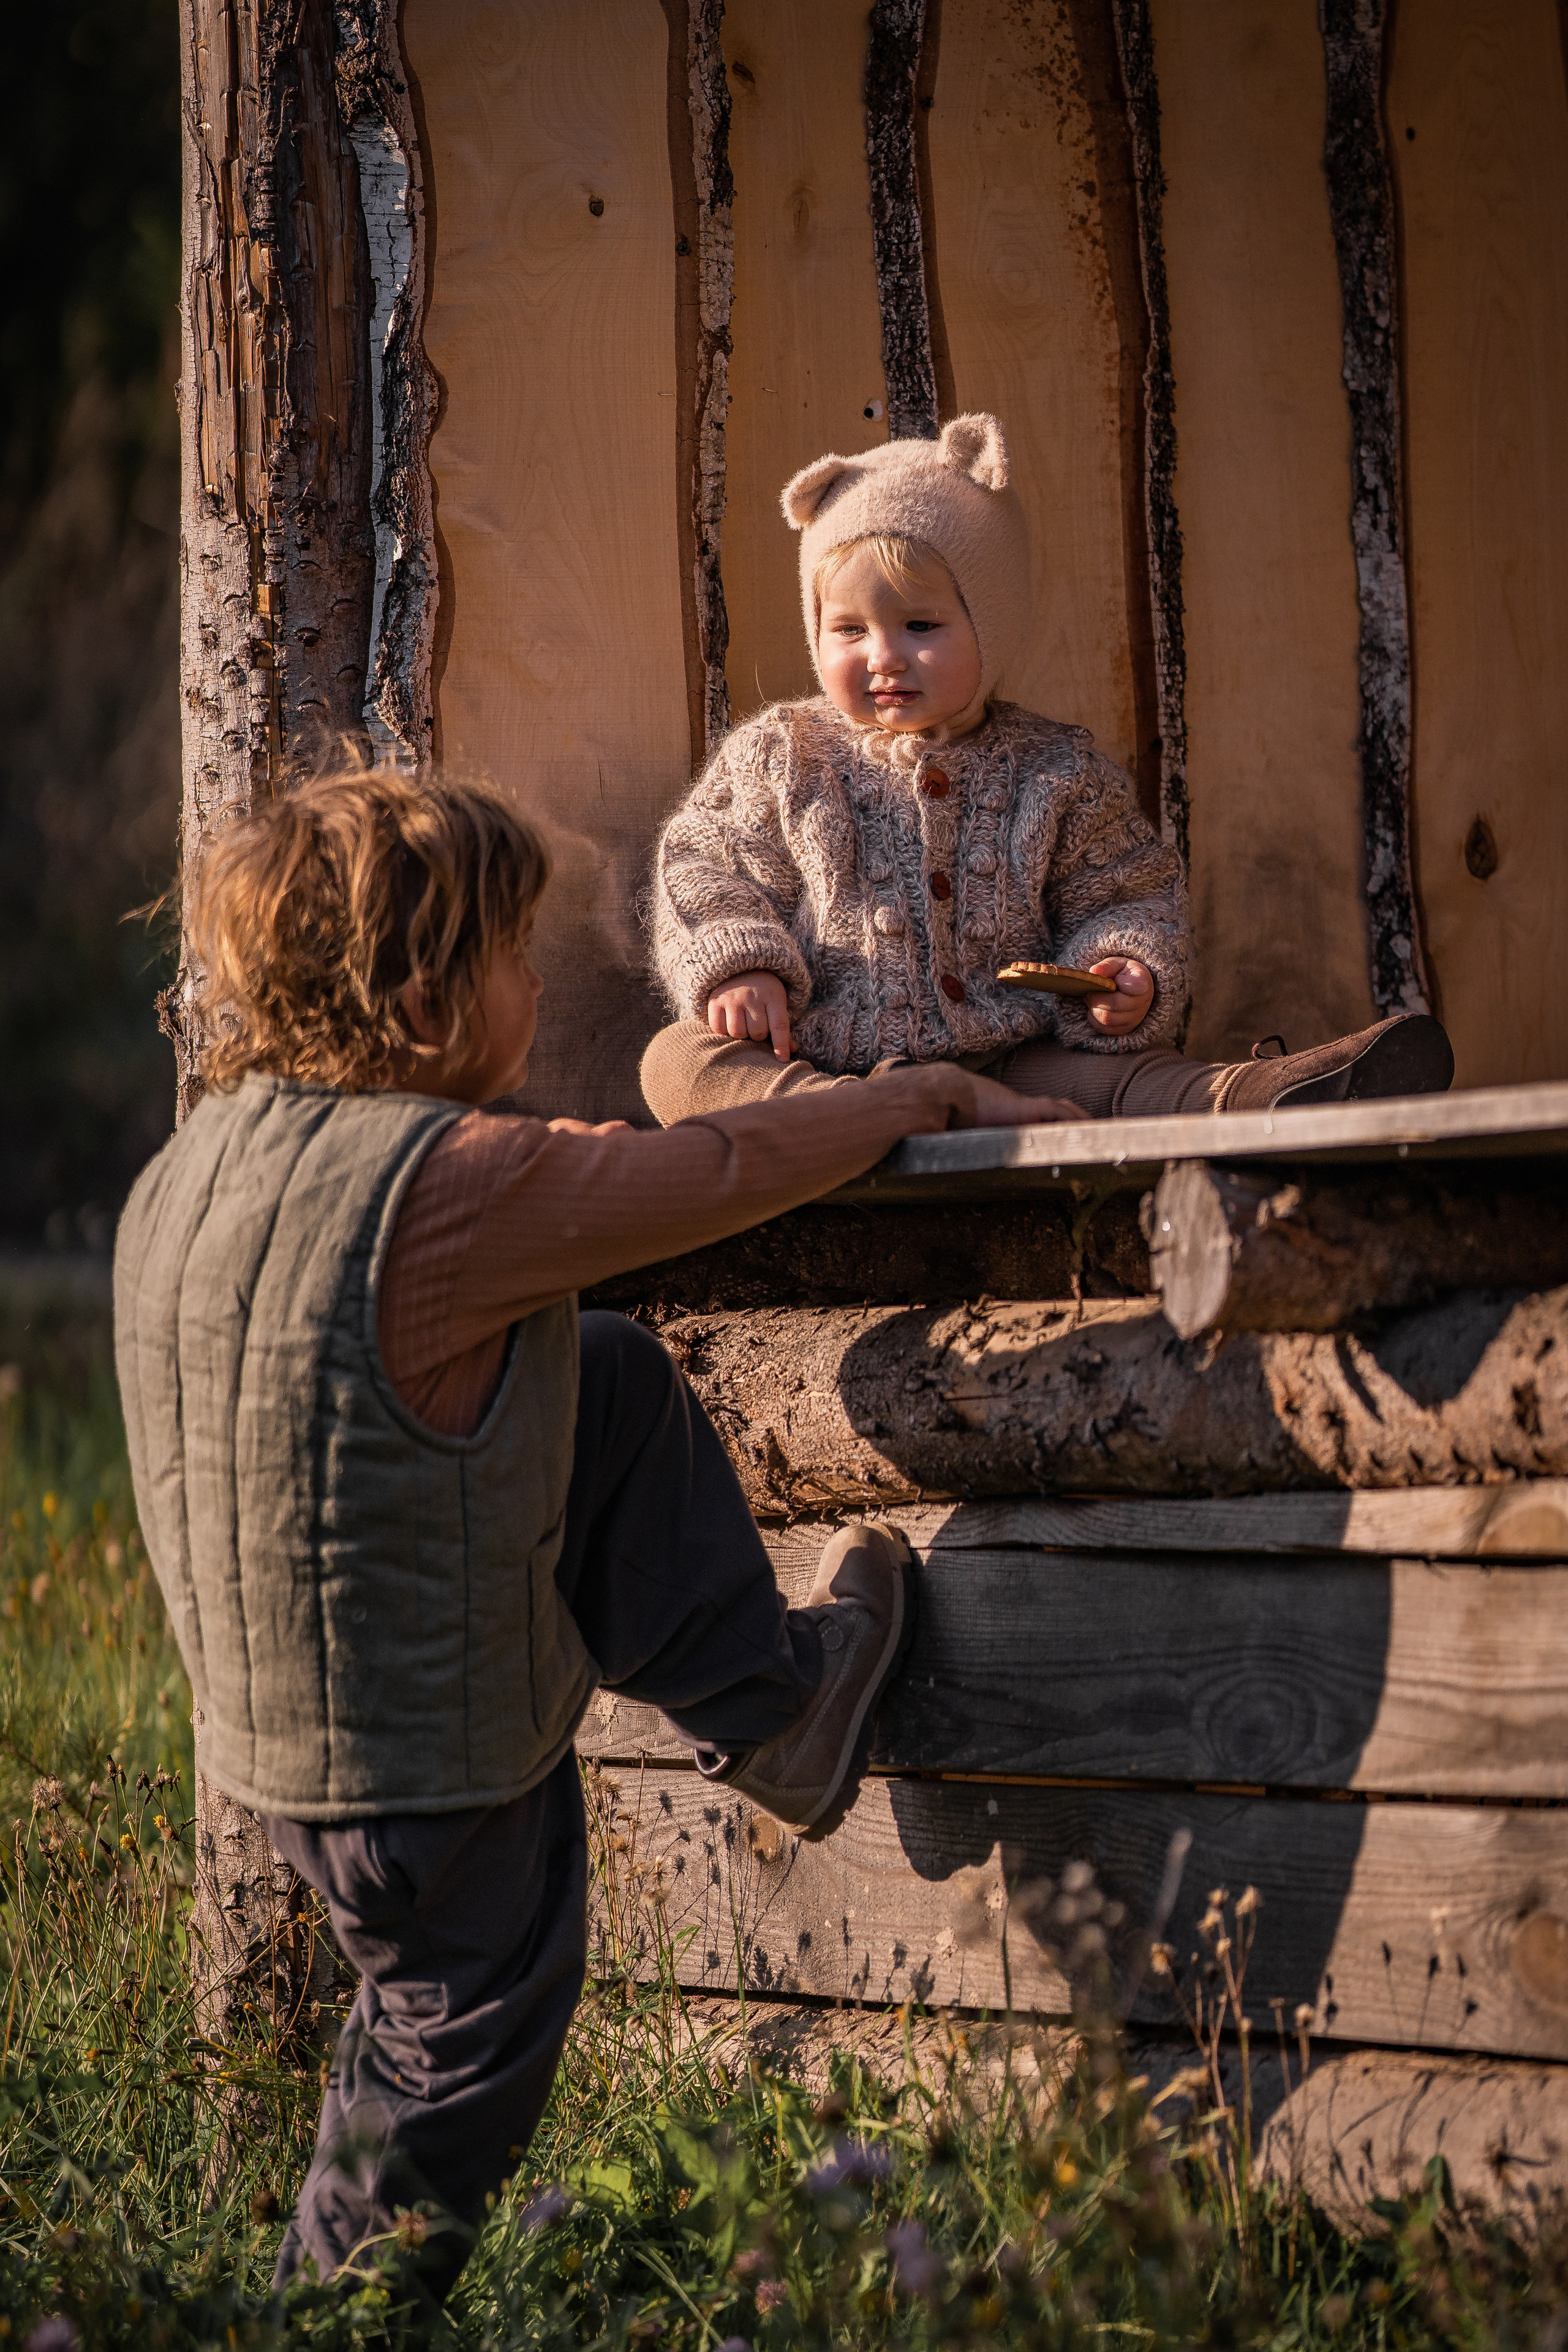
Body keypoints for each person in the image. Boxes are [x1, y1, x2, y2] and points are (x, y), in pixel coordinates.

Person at [113, 764, 1082, 2312]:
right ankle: (334, 2322)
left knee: (609, 1375)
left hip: (276, 1743)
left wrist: (542, 1170)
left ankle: (774, 1712)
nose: (536, 979)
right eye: (510, 952)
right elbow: (714, 1173)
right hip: (432, 1760)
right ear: (422, 990)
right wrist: (919, 1095)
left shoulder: (188, 1178)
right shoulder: (450, 1186)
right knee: (462, 2056)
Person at [642, 412, 1453, 1126]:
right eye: (848, 630)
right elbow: (705, 864)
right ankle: (864, 1117)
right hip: (825, 1066)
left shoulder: (1056, 770)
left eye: (919, 624)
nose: (883, 657)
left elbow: (1130, 888)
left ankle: (1256, 1096)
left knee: (1140, 1081)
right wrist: (742, 963)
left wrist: (1125, 967)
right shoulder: (783, 754)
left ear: (991, 625)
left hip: (1016, 1057)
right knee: (676, 1062)